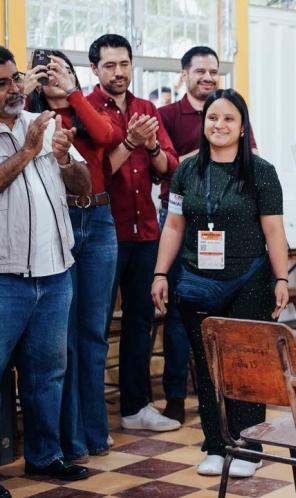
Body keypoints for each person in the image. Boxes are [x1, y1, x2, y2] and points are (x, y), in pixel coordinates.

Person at [151, 89, 289, 479]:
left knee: (246, 365)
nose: (220, 125)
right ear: (203, 124)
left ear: (243, 127)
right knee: (208, 367)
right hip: (197, 282)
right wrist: (160, 273)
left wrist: (282, 278)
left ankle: (248, 448)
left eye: (229, 118)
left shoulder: (261, 171)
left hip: (250, 280)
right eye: (213, 117)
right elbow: (174, 226)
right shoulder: (186, 171)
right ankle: (215, 445)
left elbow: (274, 230)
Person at [0, 45, 92, 490]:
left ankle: (44, 456)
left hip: (56, 273)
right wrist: (30, 150)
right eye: (2, 83)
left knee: (47, 374)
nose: (13, 89)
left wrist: (63, 157)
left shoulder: (45, 122)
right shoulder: (31, 135)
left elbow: (83, 186)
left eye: (15, 79)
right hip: (6, 278)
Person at [25, 49, 118, 462]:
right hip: (58, 221)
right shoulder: (33, 118)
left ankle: (95, 434)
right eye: (46, 72)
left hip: (98, 220)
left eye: (61, 69)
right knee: (65, 342)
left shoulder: (88, 107)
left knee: (93, 335)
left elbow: (105, 136)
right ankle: (71, 440)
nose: (54, 77)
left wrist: (72, 91)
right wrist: (31, 92)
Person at [85, 33, 181, 432]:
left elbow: (170, 166)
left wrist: (152, 145)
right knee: (95, 328)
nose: (119, 72)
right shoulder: (87, 111)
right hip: (103, 236)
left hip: (147, 234)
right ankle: (90, 419)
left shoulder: (146, 108)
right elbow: (97, 175)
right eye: (109, 65)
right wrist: (129, 141)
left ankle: (136, 408)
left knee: (141, 322)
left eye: (124, 64)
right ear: (94, 69)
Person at [157, 46, 258, 423]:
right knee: (180, 313)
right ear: (184, 74)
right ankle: (176, 397)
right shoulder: (168, 115)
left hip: (228, 225)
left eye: (214, 71)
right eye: (200, 71)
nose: (208, 77)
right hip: (182, 219)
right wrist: (206, 152)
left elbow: (250, 158)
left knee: (229, 317)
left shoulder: (232, 108)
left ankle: (223, 400)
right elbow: (164, 165)